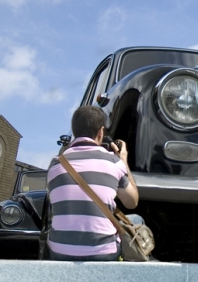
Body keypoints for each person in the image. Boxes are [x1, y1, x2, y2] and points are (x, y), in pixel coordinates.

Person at [46, 106, 140, 261]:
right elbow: (132, 202)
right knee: (137, 220)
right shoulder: (113, 161)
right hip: (103, 253)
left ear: (74, 131)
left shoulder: (55, 165)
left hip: (59, 251)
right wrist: (124, 161)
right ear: (101, 132)